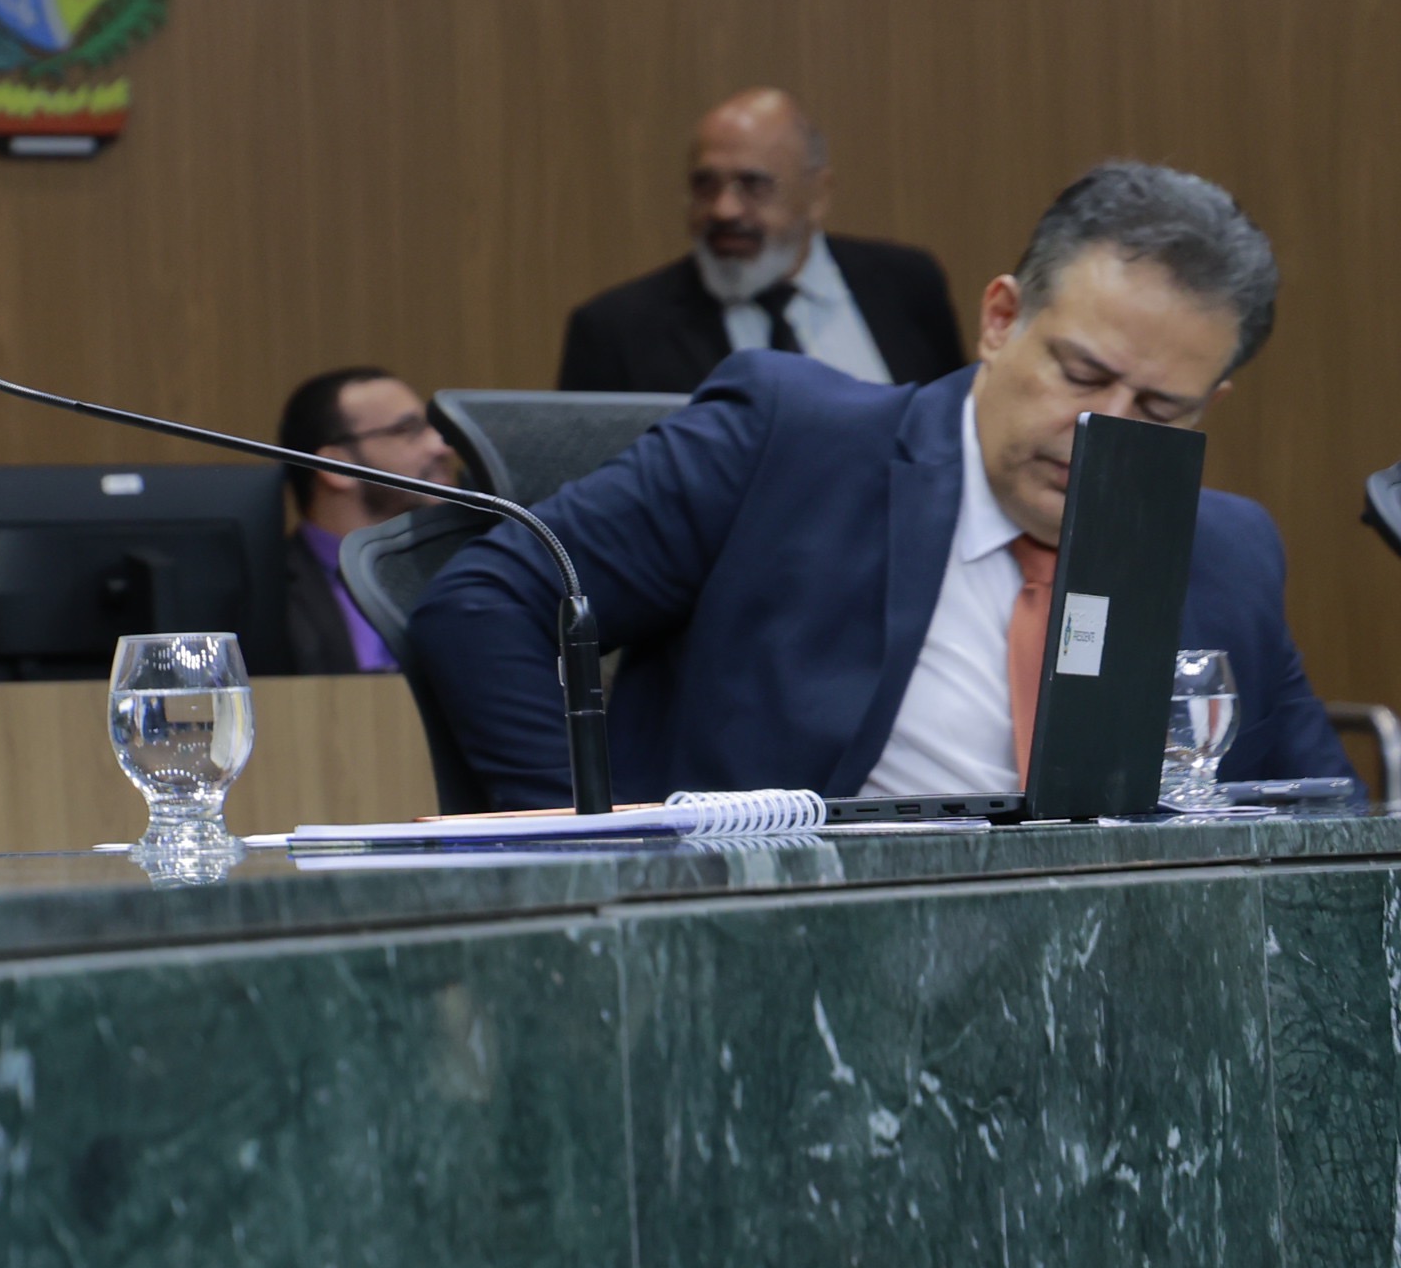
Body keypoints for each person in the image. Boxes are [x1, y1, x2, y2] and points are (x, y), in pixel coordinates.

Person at [419, 162, 1342, 807]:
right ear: (1001, 319)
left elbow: (1324, 823)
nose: (1105, 427)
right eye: (1081, 374)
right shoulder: (790, 443)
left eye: (1161, 408)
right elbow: (484, 605)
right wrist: (604, 851)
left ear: (1211, 404)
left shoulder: (1227, 551)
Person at [556, 89, 965, 394]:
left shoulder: (905, 284)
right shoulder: (616, 331)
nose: (724, 210)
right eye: (705, 185)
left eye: (753, 184)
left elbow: (955, 436)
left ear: (818, 194)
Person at [273, 367, 458, 674]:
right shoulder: (267, 594)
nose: (441, 447)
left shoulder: (466, 568)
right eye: (408, 430)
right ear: (336, 467)